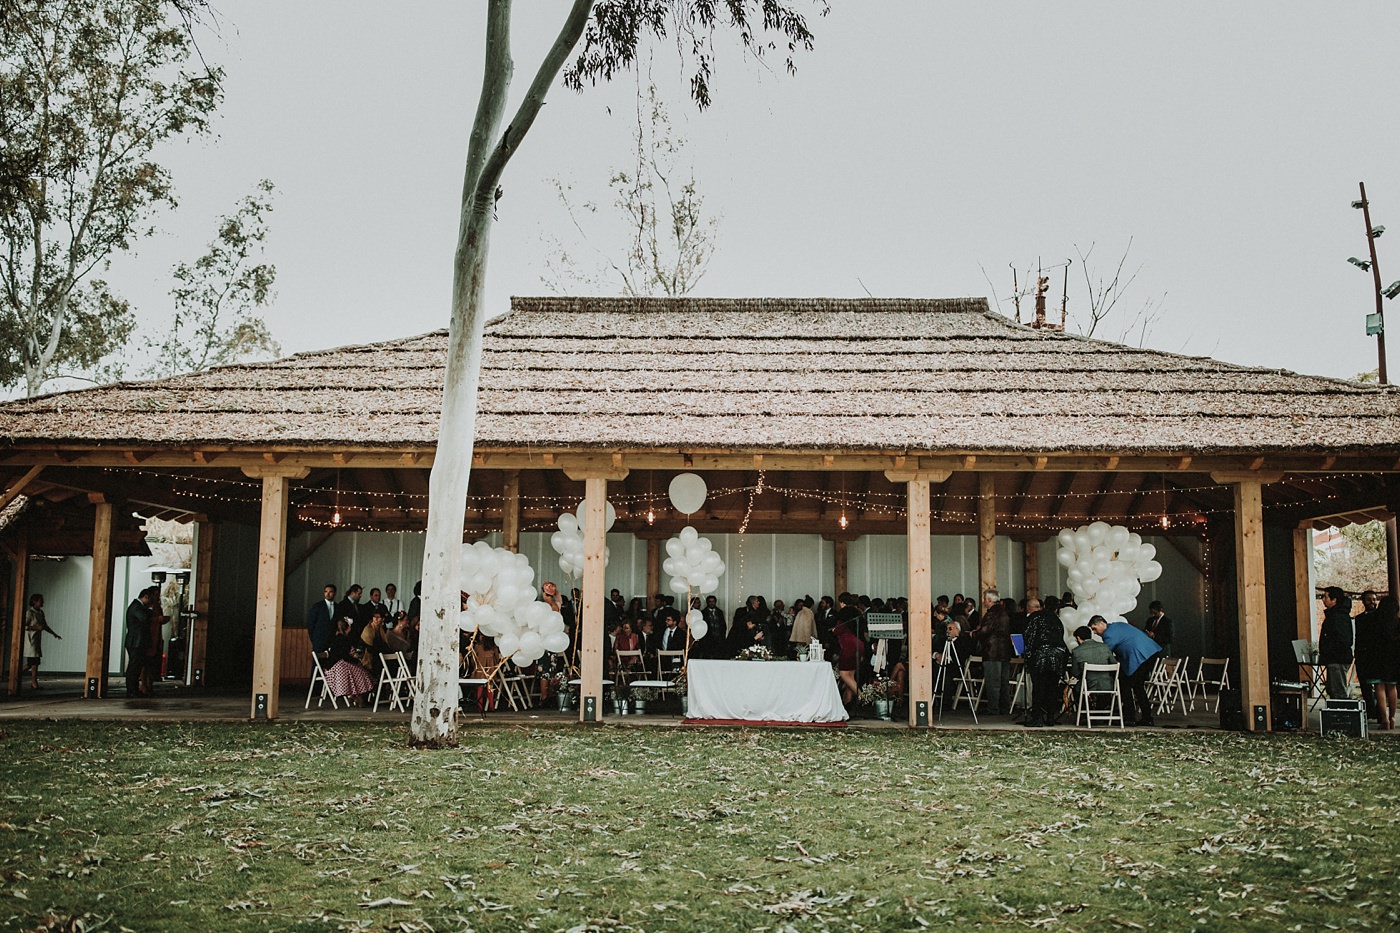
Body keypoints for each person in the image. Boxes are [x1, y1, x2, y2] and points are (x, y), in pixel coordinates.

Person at [1090, 614, 1162, 726]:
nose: (1094, 632)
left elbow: (1105, 653)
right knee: (1137, 687)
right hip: (1149, 651)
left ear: (1101, 623)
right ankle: (1143, 717)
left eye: (1094, 629)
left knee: (1127, 686)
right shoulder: (1117, 625)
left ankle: (1131, 717)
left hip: (1140, 656)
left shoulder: (1108, 634)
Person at [1022, 601, 1068, 726]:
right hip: (1058, 655)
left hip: (1041, 655)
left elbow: (1029, 637)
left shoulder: (1034, 617)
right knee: (1052, 687)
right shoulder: (1056, 619)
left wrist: (1027, 654)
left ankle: (1037, 718)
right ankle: (1051, 717)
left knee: (1039, 687)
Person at [976, 589, 1011, 715]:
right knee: (1003, 681)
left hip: (992, 651)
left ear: (989, 600)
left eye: (985, 599)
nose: (983, 601)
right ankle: (1005, 707)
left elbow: (985, 630)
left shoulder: (992, 613)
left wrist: (974, 634)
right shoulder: (1004, 612)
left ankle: (993, 708)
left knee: (993, 681)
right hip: (1004, 651)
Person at [1318, 586, 1354, 700]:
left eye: (1326, 597)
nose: (1323, 599)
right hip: (1336, 658)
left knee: (1338, 691)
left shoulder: (1338, 617)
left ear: (1334, 600)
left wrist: (1329, 650)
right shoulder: (1337, 615)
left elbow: (1343, 640)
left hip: (1337, 658)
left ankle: (1342, 715)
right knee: (1334, 689)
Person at [1071, 624, 1118, 708]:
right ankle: (1104, 710)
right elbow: (1114, 664)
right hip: (1108, 685)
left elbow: (1075, 672)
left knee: (1077, 688)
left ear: (1078, 638)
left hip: (1088, 685)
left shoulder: (1076, 651)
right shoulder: (1105, 647)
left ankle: (1085, 712)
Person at [22, 594, 61, 691]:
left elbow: (45, 625)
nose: (42, 602)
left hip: (36, 641)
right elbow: (24, 626)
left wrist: (54, 634)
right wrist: (35, 628)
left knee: (35, 662)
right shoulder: (29, 613)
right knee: (32, 663)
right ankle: (31, 681)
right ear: (34, 602)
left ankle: (33, 682)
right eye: (40, 601)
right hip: (30, 641)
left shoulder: (40, 613)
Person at [1372, 594, 1399, 731]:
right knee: (1392, 687)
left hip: (1378, 657)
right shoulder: (1397, 623)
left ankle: (1384, 719)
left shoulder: (1375, 622)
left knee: (1379, 687)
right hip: (1393, 658)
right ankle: (1393, 716)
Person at [123, 587, 156, 696]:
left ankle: (133, 690)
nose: (151, 602)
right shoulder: (136, 607)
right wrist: (151, 610)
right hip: (136, 642)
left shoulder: (136, 606)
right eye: (150, 599)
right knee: (134, 667)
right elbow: (144, 618)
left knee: (135, 667)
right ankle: (132, 690)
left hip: (136, 641)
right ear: (145, 597)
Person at [307, 584, 337, 656]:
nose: (328, 594)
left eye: (330, 592)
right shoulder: (318, 606)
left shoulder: (337, 607)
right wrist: (314, 639)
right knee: (317, 661)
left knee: (329, 661)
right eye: (326, 591)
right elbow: (310, 624)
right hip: (319, 639)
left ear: (335, 593)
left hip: (331, 640)